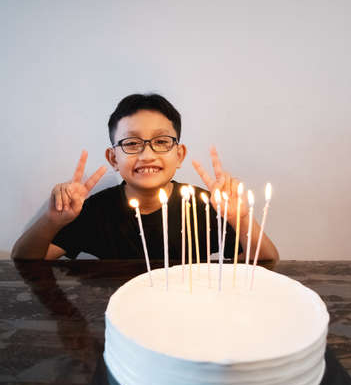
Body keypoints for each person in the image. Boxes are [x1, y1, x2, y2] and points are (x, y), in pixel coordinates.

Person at [11, 94, 279, 264]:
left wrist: (239, 218)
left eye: (161, 141)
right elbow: (25, 259)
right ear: (113, 158)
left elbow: (266, 260)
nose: (147, 154)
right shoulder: (95, 211)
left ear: (179, 154)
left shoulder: (203, 205)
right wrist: (51, 220)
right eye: (132, 143)